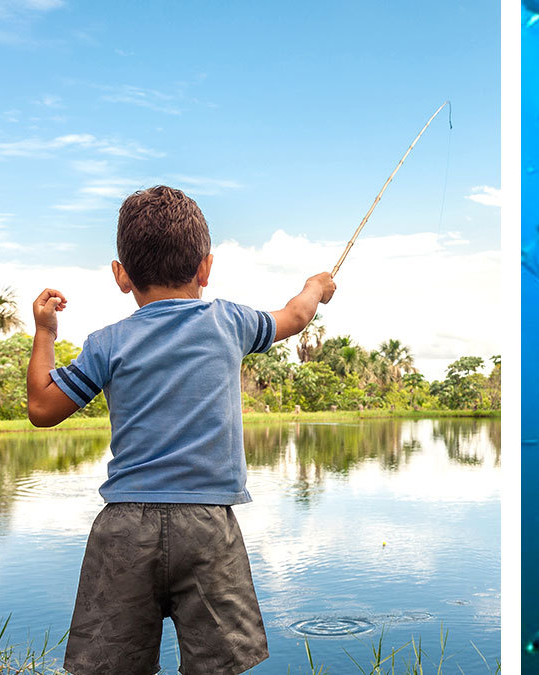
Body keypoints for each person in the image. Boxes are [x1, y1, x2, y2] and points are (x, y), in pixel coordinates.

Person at [26, 185, 336, 674]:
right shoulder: (231, 321)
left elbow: (43, 407)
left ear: (121, 276)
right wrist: (317, 287)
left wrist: (44, 332)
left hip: (125, 526)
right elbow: (296, 316)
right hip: (209, 525)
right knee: (218, 666)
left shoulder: (107, 343)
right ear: (206, 268)